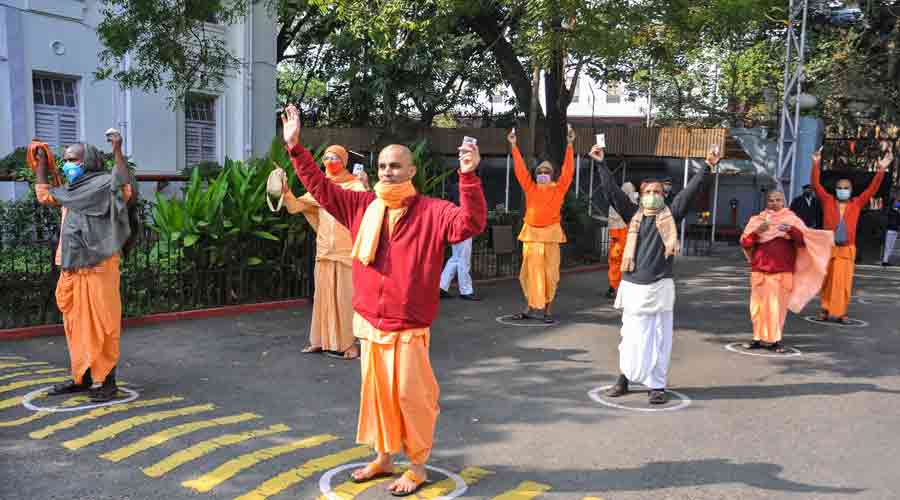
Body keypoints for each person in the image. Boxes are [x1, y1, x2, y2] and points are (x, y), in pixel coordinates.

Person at [282, 105, 486, 496]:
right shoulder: (362, 207)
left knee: (413, 398)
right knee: (376, 397)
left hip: (408, 326)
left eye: (396, 165)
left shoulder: (433, 212)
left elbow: (470, 224)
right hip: (370, 324)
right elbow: (323, 190)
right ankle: (384, 457)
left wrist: (468, 177)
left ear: (411, 171)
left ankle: (417, 465)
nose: (388, 171)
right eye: (382, 166)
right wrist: (295, 148)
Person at [592, 143, 719, 404]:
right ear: (640, 195)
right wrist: (601, 163)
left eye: (657, 191)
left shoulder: (671, 215)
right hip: (633, 287)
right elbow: (612, 193)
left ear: (664, 195)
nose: (653, 195)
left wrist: (707, 166)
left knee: (659, 340)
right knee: (630, 338)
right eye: (648, 191)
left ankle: (656, 386)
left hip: (660, 287)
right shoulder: (633, 215)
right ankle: (624, 379)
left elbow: (691, 191)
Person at [31, 131, 136, 402]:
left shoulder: (104, 185)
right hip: (70, 265)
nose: (68, 164)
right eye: (65, 159)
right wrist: (42, 160)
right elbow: (43, 195)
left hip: (100, 265)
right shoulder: (69, 192)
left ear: (87, 160)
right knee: (75, 326)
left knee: (104, 325)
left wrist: (117, 150)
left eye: (73, 159)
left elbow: (124, 187)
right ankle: (83, 378)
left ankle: (108, 382)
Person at [283, 144, 368, 360]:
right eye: (327, 157)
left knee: (345, 299)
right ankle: (321, 341)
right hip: (324, 252)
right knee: (322, 298)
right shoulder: (321, 188)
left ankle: (349, 344)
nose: (330, 161)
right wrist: (285, 192)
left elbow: (365, 210)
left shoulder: (355, 185)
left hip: (347, 253)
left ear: (344, 161)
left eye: (335, 157)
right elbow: (296, 206)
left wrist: (366, 186)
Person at [740, 191, 833, 352]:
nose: (774, 203)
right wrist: (758, 232)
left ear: (784, 202)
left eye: (778, 200)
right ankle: (757, 338)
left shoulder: (792, 220)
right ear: (766, 202)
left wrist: (791, 230)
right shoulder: (757, 220)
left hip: (782, 271)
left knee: (777, 309)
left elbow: (804, 241)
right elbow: (745, 243)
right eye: (771, 200)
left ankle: (775, 341)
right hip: (759, 270)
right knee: (757, 308)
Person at [811, 144, 891, 323]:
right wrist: (816, 163)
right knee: (828, 282)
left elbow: (872, 189)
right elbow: (816, 185)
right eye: (840, 187)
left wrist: (881, 169)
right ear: (835, 189)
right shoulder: (827, 200)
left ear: (851, 191)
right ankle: (825, 309)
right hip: (829, 247)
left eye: (846, 187)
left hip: (847, 249)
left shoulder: (857, 203)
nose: (843, 189)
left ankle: (841, 312)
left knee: (843, 283)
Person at [508, 126, 576, 323]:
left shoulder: (559, 189)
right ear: (536, 173)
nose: (543, 172)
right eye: (540, 170)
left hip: (551, 236)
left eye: (547, 170)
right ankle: (529, 308)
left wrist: (570, 145)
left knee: (550, 275)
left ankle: (547, 311)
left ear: (552, 174)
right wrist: (513, 146)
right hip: (531, 236)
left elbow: (569, 171)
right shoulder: (530, 188)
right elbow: (520, 170)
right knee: (529, 274)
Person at [439, 174, 480, 301]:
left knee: (455, 258)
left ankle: (442, 286)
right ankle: (466, 290)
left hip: (454, 224)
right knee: (463, 259)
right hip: (464, 224)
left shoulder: (453, 188)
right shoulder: (465, 188)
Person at [606, 182, 636, 299]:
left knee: (616, 263)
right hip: (623, 238)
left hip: (619, 240)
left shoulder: (615, 203)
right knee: (624, 263)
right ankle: (618, 287)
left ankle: (614, 287)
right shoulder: (632, 206)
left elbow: (612, 221)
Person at [882, 197, 899, 266]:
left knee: (890, 246)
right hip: (890, 230)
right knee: (888, 246)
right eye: (896, 202)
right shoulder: (891, 211)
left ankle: (887, 260)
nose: (897, 203)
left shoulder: (894, 211)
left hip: (894, 230)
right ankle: (885, 261)